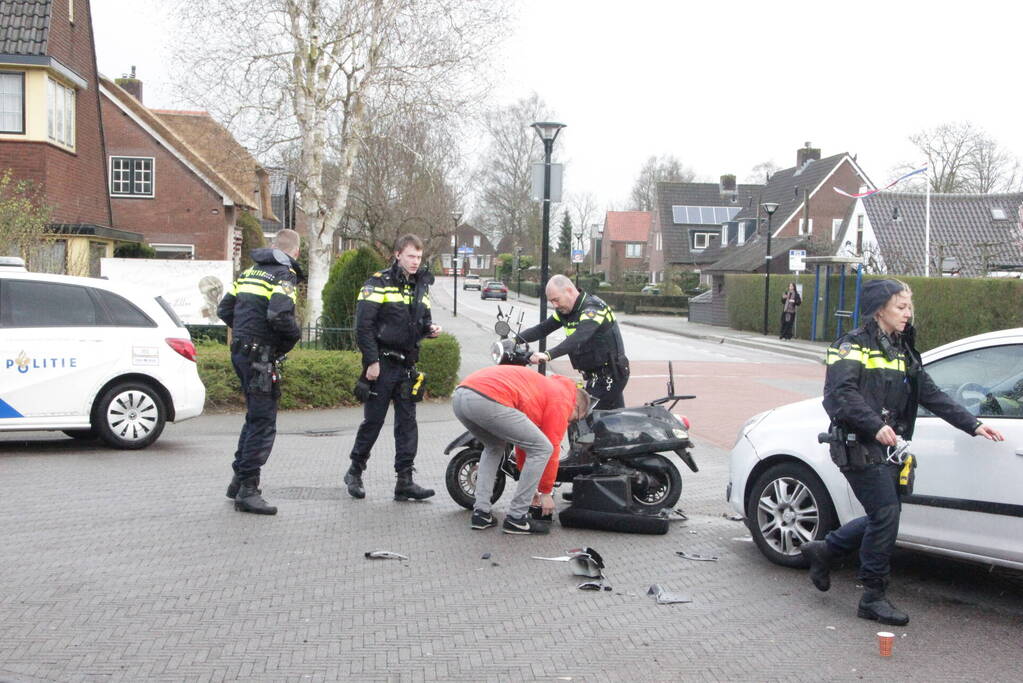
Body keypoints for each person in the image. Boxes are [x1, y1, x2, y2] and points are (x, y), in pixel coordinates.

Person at [802, 278, 1003, 625]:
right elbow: (840, 394)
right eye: (901, 306)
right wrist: (873, 425)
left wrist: (972, 424)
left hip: (888, 448)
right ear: (880, 308)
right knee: (886, 515)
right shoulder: (852, 346)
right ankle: (872, 595)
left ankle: (826, 549)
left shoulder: (902, 349)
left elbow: (931, 393)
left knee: (885, 514)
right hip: (858, 445)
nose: (908, 313)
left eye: (910, 306)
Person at [344, 234, 441, 501]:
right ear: (398, 254)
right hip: (382, 363)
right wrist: (371, 362)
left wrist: (429, 330)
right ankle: (355, 471)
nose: (415, 262)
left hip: (407, 365)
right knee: (373, 421)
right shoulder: (378, 283)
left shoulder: (421, 286)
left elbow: (422, 322)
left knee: (407, 424)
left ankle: (405, 480)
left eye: (419, 257)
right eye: (411, 256)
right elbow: (363, 327)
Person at [217, 229, 303, 515]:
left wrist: (244, 331)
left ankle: (237, 480)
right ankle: (248, 490)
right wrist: (289, 341)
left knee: (254, 418)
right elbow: (280, 315)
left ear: (273, 245)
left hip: (241, 351)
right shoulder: (285, 274)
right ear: (297, 252)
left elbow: (224, 309)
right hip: (260, 357)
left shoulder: (250, 272)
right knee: (263, 422)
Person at [452, 365, 591, 534]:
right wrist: (546, 492)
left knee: (494, 447)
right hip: (487, 398)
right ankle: (516, 518)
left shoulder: (546, 389)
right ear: (577, 406)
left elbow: (523, 445)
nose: (569, 423)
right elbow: (551, 447)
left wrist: (531, 489)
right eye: (575, 418)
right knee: (543, 448)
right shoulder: (563, 399)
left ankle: (481, 514)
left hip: (461, 396)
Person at [520, 274, 629, 409]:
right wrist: (514, 340)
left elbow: (580, 336)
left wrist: (548, 355)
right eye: (551, 302)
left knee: (583, 416)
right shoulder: (565, 311)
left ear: (569, 291)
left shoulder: (593, 308)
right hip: (595, 375)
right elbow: (542, 329)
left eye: (556, 300)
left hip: (610, 375)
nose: (554, 305)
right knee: (614, 419)